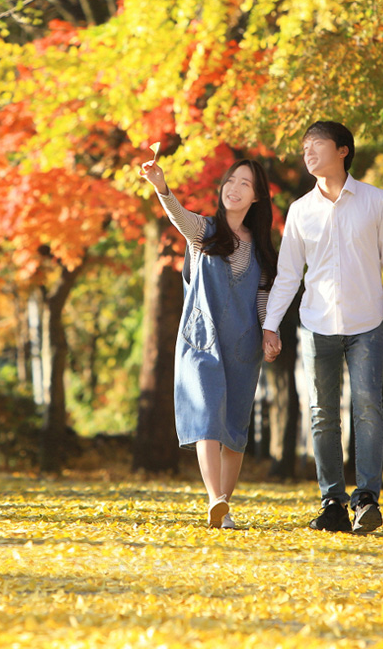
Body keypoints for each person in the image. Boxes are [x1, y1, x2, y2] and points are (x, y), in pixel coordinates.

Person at [262, 121, 383, 534]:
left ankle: (366, 498)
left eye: (317, 145)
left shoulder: (376, 201)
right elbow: (288, 275)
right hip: (316, 325)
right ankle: (332, 501)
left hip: (368, 324)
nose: (307, 152)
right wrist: (270, 326)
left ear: (343, 150)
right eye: (304, 146)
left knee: (367, 406)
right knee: (322, 414)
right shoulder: (300, 210)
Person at [140, 156, 279, 529]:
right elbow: (179, 217)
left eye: (244, 184)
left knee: (233, 428)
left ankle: (223, 508)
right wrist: (161, 187)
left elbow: (263, 298)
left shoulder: (262, 249)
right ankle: (214, 498)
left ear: (257, 197)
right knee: (206, 417)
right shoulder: (204, 231)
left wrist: (270, 333)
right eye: (230, 181)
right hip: (200, 341)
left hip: (243, 345)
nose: (233, 188)